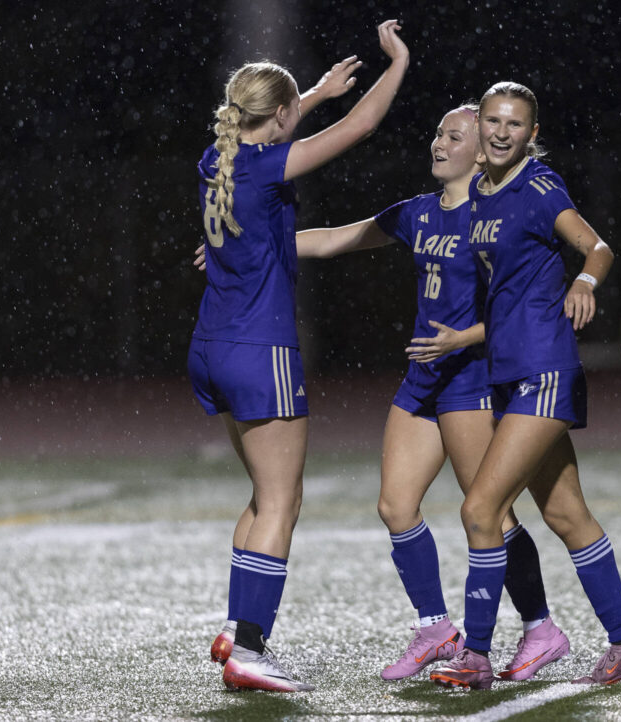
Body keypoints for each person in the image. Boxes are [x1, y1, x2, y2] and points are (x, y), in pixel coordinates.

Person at [288, 105, 570, 682]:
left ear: (479, 151)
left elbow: (525, 310)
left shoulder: (495, 218)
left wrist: (464, 337)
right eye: (438, 132)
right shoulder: (417, 213)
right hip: (422, 378)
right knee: (395, 505)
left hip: (470, 378)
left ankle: (541, 627)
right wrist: (255, 247)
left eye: (453, 135)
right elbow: (335, 239)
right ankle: (436, 627)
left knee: (492, 515)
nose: (438, 143)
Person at [188, 20, 408, 692]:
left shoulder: (217, 160)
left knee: (262, 493)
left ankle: (235, 627)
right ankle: (252, 649)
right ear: (277, 117)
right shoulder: (262, 167)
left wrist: (309, 94)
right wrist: (396, 62)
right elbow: (362, 127)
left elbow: (270, 124)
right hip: (261, 349)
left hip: (212, 347)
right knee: (283, 499)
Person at [428, 81, 621, 690]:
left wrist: (585, 281)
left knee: (481, 507)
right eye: (494, 122)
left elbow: (597, 246)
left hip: (544, 369)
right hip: (508, 372)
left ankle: (474, 655)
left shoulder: (537, 187)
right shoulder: (478, 190)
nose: (502, 132)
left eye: (515, 124)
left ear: (532, 134)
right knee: (566, 515)